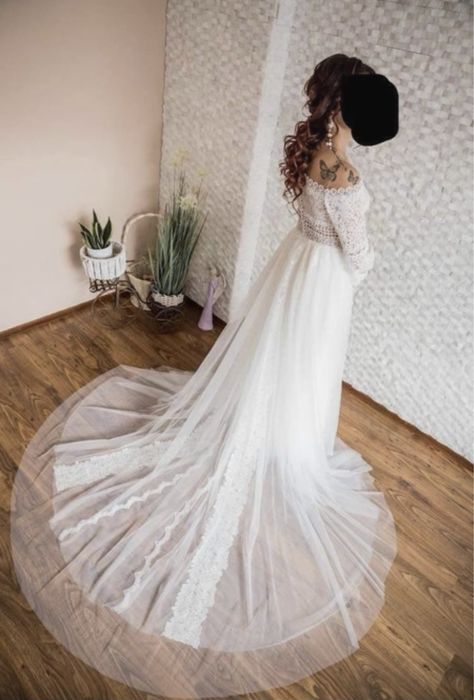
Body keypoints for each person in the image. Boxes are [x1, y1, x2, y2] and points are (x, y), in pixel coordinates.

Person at [11, 53, 398, 698]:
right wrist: (366, 261)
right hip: (323, 283)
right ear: (344, 106)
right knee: (304, 366)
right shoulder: (347, 175)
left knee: (278, 361)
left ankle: (272, 433)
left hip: (294, 270)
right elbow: (356, 256)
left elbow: (314, 221)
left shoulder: (313, 155)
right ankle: (287, 447)